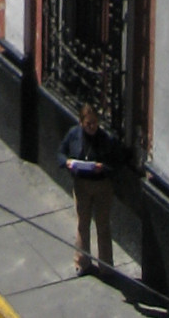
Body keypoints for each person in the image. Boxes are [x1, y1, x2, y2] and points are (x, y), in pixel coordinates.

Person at [59, 102, 118, 274]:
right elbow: (60, 153)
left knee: (103, 225)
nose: (92, 127)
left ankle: (106, 266)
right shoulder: (74, 135)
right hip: (81, 185)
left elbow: (115, 163)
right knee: (82, 224)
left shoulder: (106, 139)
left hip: (102, 186)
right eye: (88, 124)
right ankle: (82, 262)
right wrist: (67, 162)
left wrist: (103, 167)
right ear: (81, 123)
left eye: (94, 123)